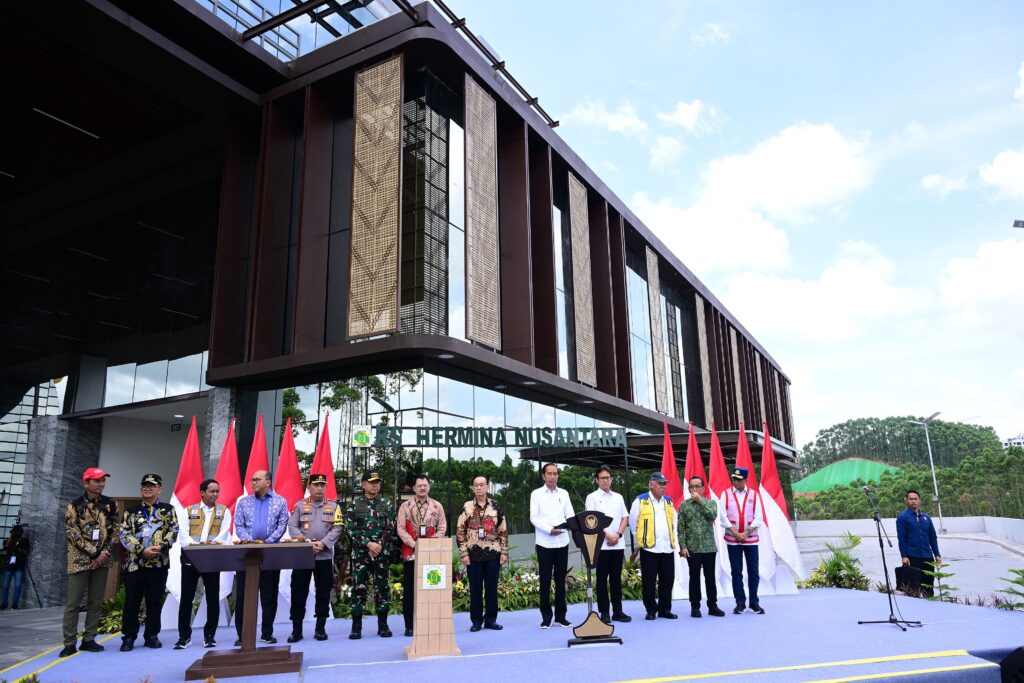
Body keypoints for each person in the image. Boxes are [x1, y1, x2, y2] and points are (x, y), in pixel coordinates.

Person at [60, 467, 118, 658]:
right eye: (96, 480)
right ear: (86, 483)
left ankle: (89, 639)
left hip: (103, 558)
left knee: (95, 600)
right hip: (79, 559)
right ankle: (69, 642)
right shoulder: (74, 505)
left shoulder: (111, 504)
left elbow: (115, 531)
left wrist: (104, 553)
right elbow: (72, 534)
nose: (101, 484)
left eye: (103, 480)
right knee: (73, 602)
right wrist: (94, 553)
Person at [119, 473, 179, 651]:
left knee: (154, 602)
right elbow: (124, 534)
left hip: (158, 564)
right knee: (132, 602)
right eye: (144, 485)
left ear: (159, 489)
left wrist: (159, 547)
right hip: (134, 565)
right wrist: (141, 551)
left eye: (152, 486)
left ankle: (152, 635)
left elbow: (173, 532)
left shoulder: (168, 510)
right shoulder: (131, 511)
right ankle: (128, 637)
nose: (147, 488)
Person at [233, 469, 289, 645]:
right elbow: (239, 525)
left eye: (257, 479)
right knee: (243, 596)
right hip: (247, 555)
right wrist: (252, 543)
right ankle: (242, 636)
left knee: (269, 596)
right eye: (252, 480)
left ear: (268, 482)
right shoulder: (243, 502)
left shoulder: (280, 501)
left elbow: (282, 525)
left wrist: (266, 543)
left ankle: (267, 633)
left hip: (270, 555)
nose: (254, 482)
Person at [174, 478, 232, 650]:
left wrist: (210, 547)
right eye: (211, 491)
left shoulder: (224, 511)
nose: (215, 494)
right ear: (202, 493)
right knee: (187, 598)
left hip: (212, 557)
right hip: (191, 557)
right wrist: (195, 547)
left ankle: (209, 636)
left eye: (217, 491)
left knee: (213, 598)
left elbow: (223, 534)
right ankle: (184, 637)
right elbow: (183, 534)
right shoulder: (188, 510)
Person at [287, 473, 343, 643]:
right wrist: (307, 543)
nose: (319, 488)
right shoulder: (299, 506)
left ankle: (320, 628)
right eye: (316, 485)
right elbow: (292, 526)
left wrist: (324, 543)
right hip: (303, 556)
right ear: (309, 487)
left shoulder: (334, 507)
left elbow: (338, 527)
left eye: (322, 485)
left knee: (323, 592)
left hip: (324, 556)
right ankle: (296, 630)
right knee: (298, 592)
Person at [346, 470, 395, 640]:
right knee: (359, 588)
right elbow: (351, 529)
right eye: (371, 482)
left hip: (381, 553)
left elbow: (390, 527)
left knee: (382, 588)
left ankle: (383, 625)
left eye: (377, 482)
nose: (375, 485)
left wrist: (379, 545)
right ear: (363, 484)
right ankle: (356, 626)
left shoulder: (387, 503)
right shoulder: (355, 504)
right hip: (361, 553)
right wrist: (368, 543)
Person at [455, 475, 508, 632]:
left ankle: (491, 620)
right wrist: (464, 553)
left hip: (493, 553)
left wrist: (504, 551)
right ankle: (476, 621)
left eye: (482, 485)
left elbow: (503, 530)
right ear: (472, 488)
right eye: (476, 485)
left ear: (487, 487)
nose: (479, 488)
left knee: (491, 588)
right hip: (473, 554)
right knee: (475, 589)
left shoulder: (496, 506)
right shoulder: (466, 507)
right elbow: (460, 531)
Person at [396, 473, 447, 637]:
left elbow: (442, 528)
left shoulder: (437, 506)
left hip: (432, 556)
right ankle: (409, 626)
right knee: (410, 591)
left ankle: (431, 623)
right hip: (411, 554)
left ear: (429, 487)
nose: (423, 488)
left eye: (425, 485)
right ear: (414, 488)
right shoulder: (405, 506)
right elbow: (400, 529)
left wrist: (429, 544)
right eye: (419, 486)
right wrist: (415, 544)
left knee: (432, 589)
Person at [628, 471, 679, 620]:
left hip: (667, 547)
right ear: (651, 484)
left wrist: (674, 540)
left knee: (667, 580)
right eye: (659, 483)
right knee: (649, 581)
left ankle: (665, 609)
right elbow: (633, 522)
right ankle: (651, 610)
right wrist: (641, 538)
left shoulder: (668, 502)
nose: (663, 486)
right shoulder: (640, 500)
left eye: (664, 483)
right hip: (649, 547)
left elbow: (674, 522)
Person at [530, 463, 575, 628]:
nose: (552, 477)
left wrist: (568, 525)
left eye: (555, 474)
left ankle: (561, 617)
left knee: (560, 580)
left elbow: (570, 514)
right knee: (545, 581)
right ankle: (546, 618)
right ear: (543, 476)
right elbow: (534, 518)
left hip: (562, 541)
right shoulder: (536, 494)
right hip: (544, 542)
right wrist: (550, 530)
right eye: (549, 474)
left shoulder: (564, 493)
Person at [584, 465, 631, 624]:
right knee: (602, 579)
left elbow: (625, 517)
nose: (605, 480)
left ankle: (618, 611)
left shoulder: (618, 497)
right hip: (601, 545)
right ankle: (604, 612)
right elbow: (592, 521)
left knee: (616, 579)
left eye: (608, 477)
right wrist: (608, 536)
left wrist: (617, 534)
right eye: (602, 478)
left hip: (617, 544)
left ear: (612, 479)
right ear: (597, 480)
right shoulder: (592, 497)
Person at [678, 475, 724, 618]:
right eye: (692, 486)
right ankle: (695, 607)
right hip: (692, 548)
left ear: (703, 488)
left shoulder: (711, 503)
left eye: (697, 486)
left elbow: (712, 516)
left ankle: (713, 606)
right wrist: (682, 546)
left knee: (710, 577)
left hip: (709, 547)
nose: (695, 489)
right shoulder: (684, 505)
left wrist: (701, 502)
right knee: (694, 578)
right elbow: (680, 528)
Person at [720, 466, 764, 615]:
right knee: (736, 572)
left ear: (745, 480)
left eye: (739, 480)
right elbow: (722, 516)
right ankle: (740, 602)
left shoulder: (754, 495)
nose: (736, 482)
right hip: (733, 540)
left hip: (751, 539)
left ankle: (754, 602)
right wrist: (735, 533)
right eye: (734, 479)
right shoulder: (725, 494)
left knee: (753, 571)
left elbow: (759, 516)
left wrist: (746, 532)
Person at [896, 489, 942, 597]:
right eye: (910, 499)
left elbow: (932, 537)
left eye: (915, 499)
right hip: (912, 557)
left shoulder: (926, 518)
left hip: (927, 557)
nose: (913, 501)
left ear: (919, 500)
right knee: (913, 588)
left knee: (928, 587)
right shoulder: (902, 518)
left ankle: (929, 608)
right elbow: (901, 539)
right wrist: (904, 556)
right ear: (907, 501)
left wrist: (937, 554)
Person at [1, 524, 30, 610]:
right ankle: (4, 604)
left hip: (19, 567)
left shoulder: (24, 541)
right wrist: (11, 535)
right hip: (9, 566)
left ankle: (14, 605)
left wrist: (19, 549)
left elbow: (26, 552)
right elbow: (6, 546)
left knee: (17, 587)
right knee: (5, 586)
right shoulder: (10, 541)